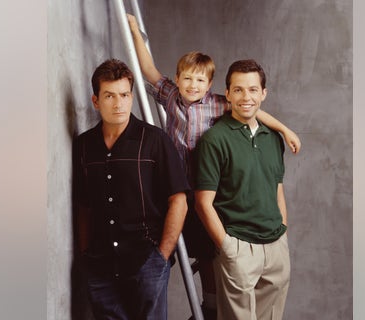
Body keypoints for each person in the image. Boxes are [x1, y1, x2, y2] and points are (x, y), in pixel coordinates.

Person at [128, 15, 299, 319]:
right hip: (179, 183)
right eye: (187, 78)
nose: (192, 85)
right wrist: (135, 33)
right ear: (178, 79)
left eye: (200, 80)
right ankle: (151, 282)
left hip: (208, 183)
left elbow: (255, 111)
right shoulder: (171, 97)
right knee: (167, 236)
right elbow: (150, 70)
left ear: (209, 84)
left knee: (209, 251)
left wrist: (285, 130)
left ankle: (208, 306)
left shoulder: (219, 103)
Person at [72, 59, 189, 319]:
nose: (118, 103)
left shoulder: (156, 140)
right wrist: (85, 254)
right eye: (110, 96)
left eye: (124, 95)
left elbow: (179, 200)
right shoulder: (83, 146)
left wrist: (161, 256)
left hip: (146, 263)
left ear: (132, 96)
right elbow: (84, 206)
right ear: (95, 101)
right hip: (101, 265)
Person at [195, 59, 291, 320]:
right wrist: (227, 247)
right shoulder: (214, 140)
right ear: (227, 94)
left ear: (263, 94)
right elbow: (203, 203)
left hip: (275, 247)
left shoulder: (273, 138)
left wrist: (282, 231)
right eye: (238, 90)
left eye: (252, 90)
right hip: (239, 247)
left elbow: (277, 189)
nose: (245, 97)